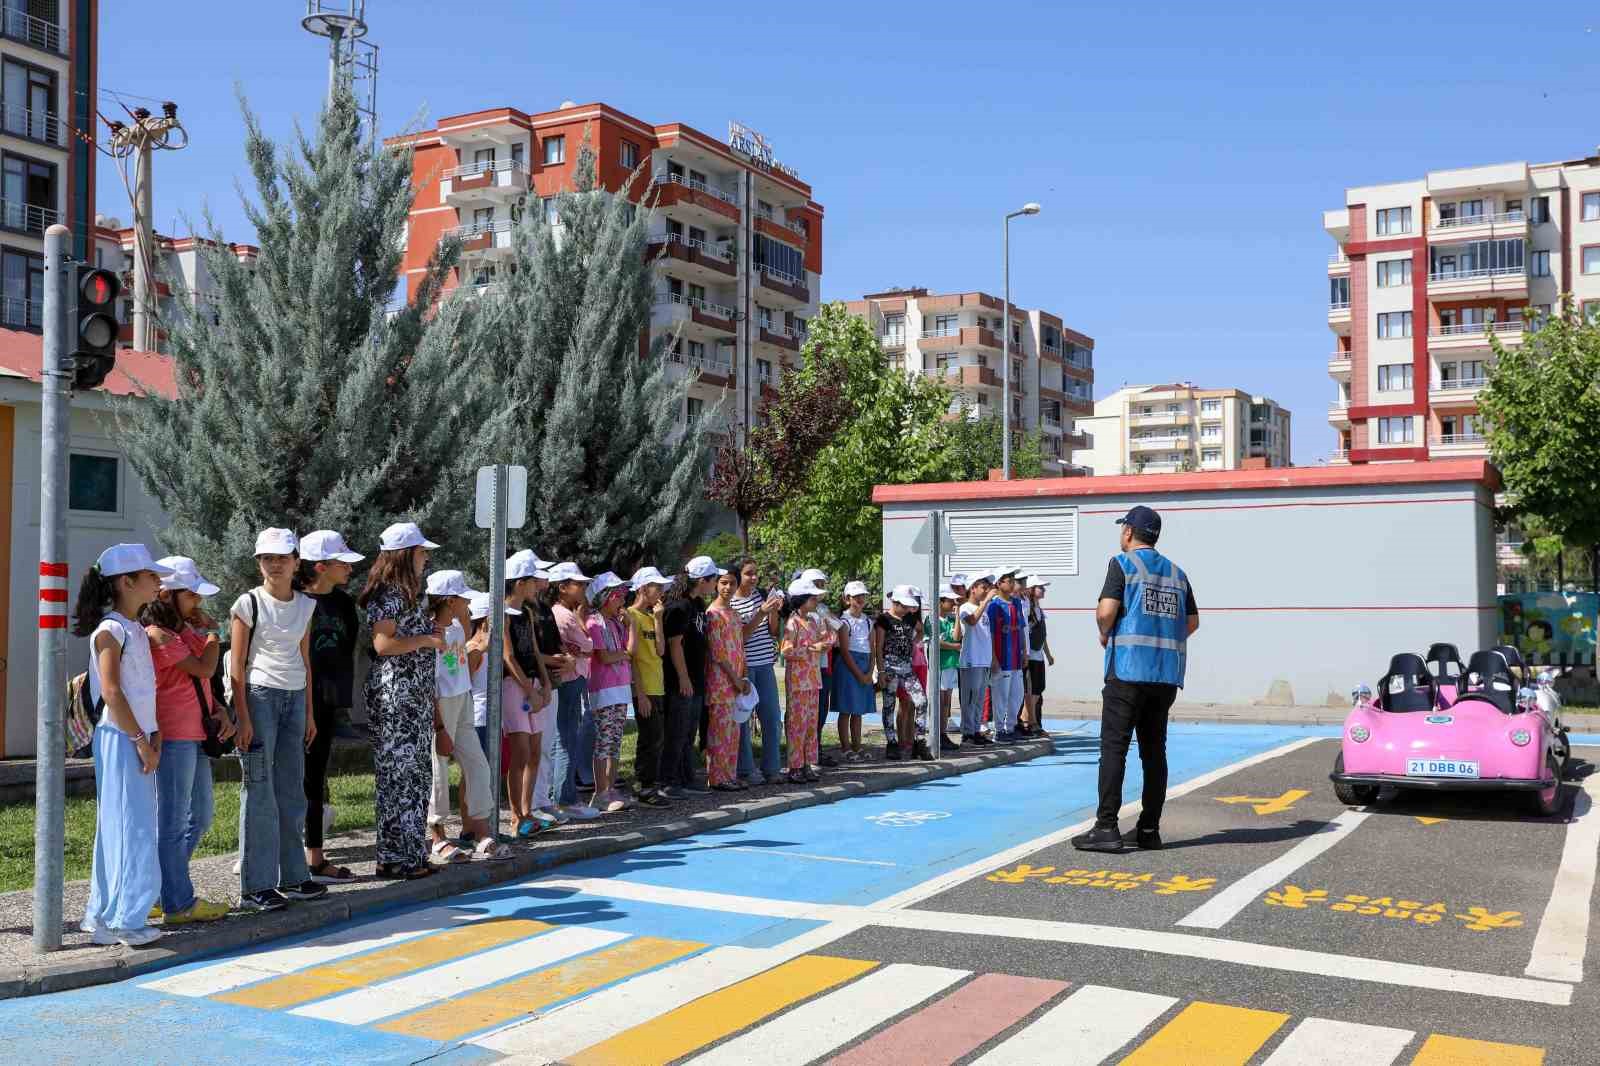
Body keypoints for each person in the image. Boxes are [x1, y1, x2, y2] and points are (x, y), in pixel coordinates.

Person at [1073, 505, 1199, 853]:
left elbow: (1106, 612)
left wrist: (1105, 632)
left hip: (1127, 671)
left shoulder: (1122, 564)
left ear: (1128, 532)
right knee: (1154, 752)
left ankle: (1106, 827)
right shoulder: (1177, 573)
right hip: (1165, 675)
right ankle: (1148, 829)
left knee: (1114, 748)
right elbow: (1191, 623)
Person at [75, 544, 172, 946]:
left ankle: (106, 915)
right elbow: (113, 692)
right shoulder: (111, 629)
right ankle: (123, 920)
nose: (158, 580)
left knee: (126, 824)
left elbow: (138, 690)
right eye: (150, 575)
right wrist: (140, 740)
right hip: (119, 736)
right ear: (125, 582)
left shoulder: (131, 627)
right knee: (129, 826)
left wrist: (154, 732)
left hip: (133, 735)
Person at [231, 528, 328, 910]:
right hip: (258, 697)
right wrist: (242, 717)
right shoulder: (248, 603)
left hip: (294, 698)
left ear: (295, 562)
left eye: (281, 557)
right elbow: (237, 665)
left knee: (292, 790)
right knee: (259, 789)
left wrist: (309, 712)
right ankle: (255, 884)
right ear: (259, 563)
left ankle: (294, 875)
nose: (274, 564)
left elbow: (306, 660)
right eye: (266, 558)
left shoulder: (306, 606)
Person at [140, 557, 232, 925]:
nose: (198, 603)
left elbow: (206, 682)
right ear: (167, 594)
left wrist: (221, 710)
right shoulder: (157, 635)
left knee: (201, 817)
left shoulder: (183, 632)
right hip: (175, 735)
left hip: (196, 734)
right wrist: (213, 635)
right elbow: (206, 667)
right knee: (173, 823)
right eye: (191, 595)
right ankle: (177, 902)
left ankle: (163, 889)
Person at [360, 522, 446, 880]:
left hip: (412, 697)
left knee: (410, 777)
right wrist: (426, 640)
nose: (426, 558)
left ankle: (402, 855)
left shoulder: (406, 595)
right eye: (422, 552)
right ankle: (402, 858)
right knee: (402, 777)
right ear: (406, 554)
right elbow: (383, 645)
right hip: (398, 697)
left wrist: (427, 634)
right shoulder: (390, 595)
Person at [425, 571, 509, 861]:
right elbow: (430, 684)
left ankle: (480, 832)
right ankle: (438, 836)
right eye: (463, 599)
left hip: (463, 701)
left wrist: (480, 650)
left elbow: (459, 668)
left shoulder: (459, 629)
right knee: (438, 770)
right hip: (441, 706)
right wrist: (439, 727)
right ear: (449, 601)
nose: (468, 606)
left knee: (479, 766)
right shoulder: (431, 633)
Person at [296, 530, 364, 884]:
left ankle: (315, 858)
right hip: (293, 699)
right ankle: (279, 853)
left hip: (326, 702)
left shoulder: (343, 603)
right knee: (289, 779)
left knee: (315, 778)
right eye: (343, 563)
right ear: (321, 567)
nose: (349, 569)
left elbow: (347, 646)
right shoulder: (293, 600)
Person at [503, 550, 554, 835]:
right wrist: (528, 690)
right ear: (521, 582)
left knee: (535, 750)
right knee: (520, 751)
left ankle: (527, 810)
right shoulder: (503, 612)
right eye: (533, 580)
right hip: (514, 687)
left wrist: (545, 684)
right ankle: (515, 816)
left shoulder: (527, 613)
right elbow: (508, 657)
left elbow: (534, 650)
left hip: (533, 683)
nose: (538, 585)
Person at [662, 557, 721, 795]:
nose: (716, 583)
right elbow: (674, 645)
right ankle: (669, 780)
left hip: (697, 679)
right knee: (676, 732)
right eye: (714, 579)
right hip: (680, 681)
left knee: (689, 733)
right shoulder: (679, 606)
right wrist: (683, 677)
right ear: (702, 580)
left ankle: (686, 777)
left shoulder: (697, 605)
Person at [548, 561, 600, 819]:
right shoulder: (565, 615)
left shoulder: (560, 612)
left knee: (563, 736)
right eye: (577, 584)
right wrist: (581, 622)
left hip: (572, 676)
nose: (582, 588)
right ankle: (565, 798)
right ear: (562, 587)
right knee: (566, 737)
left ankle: (558, 795)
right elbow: (588, 645)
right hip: (570, 679)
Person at [730, 559, 784, 785]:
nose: (754, 578)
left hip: (765, 665)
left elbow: (772, 631)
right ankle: (746, 769)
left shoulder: (760, 595)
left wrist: (773, 612)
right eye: (748, 574)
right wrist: (762, 613)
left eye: (756, 574)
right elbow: (740, 637)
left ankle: (772, 768)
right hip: (745, 666)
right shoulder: (731, 602)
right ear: (738, 576)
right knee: (742, 719)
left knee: (772, 717)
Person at [585, 572, 635, 812]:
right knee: (604, 740)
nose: (622, 600)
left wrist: (630, 626)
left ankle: (610, 787)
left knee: (614, 740)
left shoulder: (616, 623)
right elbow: (604, 656)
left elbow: (629, 650)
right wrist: (623, 654)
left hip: (620, 687)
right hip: (603, 689)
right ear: (605, 597)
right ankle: (600, 792)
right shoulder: (594, 622)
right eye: (618, 595)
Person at [626, 566, 673, 807]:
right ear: (644, 589)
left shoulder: (651, 616)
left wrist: (658, 620)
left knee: (657, 737)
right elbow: (631, 658)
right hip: (644, 687)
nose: (662, 591)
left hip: (658, 685)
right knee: (650, 737)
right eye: (658, 587)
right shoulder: (630, 615)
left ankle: (649, 784)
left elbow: (661, 650)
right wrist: (640, 693)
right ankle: (643, 786)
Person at [704, 569, 752, 791]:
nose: (727, 588)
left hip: (736, 680)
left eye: (732, 583)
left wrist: (743, 675)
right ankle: (717, 777)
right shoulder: (712, 613)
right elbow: (718, 653)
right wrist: (734, 678)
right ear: (716, 584)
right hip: (721, 681)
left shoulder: (733, 613)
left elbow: (739, 647)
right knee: (720, 731)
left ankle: (729, 775)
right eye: (723, 583)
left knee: (734, 731)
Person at [874, 587, 932, 761]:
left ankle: (919, 740)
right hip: (890, 667)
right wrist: (882, 671)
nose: (907, 609)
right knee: (889, 705)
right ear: (895, 602)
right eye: (904, 605)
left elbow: (921, 630)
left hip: (907, 668)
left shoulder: (910, 618)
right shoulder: (884, 620)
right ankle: (892, 742)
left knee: (921, 700)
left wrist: (913, 643)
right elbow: (879, 647)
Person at [781, 577, 829, 782]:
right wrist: (811, 648)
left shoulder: (812, 621)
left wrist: (826, 640)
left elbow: (824, 639)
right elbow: (786, 650)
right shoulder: (793, 622)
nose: (815, 601)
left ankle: (808, 763)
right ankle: (795, 766)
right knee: (797, 724)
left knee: (811, 723)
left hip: (813, 679)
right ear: (801, 599)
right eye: (812, 598)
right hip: (799, 681)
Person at [800, 568, 841, 767]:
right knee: (808, 712)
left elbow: (838, 628)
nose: (820, 589)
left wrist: (829, 623)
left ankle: (816, 749)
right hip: (807, 668)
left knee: (821, 710)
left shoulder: (823, 609)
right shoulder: (802, 611)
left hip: (824, 667)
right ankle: (805, 754)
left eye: (822, 584)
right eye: (816, 584)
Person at [986, 568, 1030, 742]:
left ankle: (1010, 728)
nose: (1012, 583)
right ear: (999, 583)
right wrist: (994, 658)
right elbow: (988, 634)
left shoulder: (1017, 603)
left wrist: (1024, 652)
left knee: (1017, 695)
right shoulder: (994, 605)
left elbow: (1021, 629)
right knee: (1000, 696)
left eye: (1013, 580)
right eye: (1008, 580)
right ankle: (998, 730)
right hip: (1001, 659)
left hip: (1016, 660)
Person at [833, 581, 874, 761]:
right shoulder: (843, 621)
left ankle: (857, 746)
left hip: (864, 664)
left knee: (858, 710)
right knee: (846, 709)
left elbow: (871, 648)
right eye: (856, 596)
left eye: (862, 596)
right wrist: (859, 674)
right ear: (847, 599)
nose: (860, 599)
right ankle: (846, 747)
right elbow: (844, 651)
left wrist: (870, 671)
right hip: (849, 666)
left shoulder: (868, 621)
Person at [957, 572, 997, 746]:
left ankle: (975, 730)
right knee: (970, 698)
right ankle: (967, 733)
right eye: (983, 587)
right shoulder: (965, 607)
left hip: (983, 660)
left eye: (988, 588)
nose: (986, 590)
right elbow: (971, 621)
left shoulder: (984, 610)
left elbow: (988, 635)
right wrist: (986, 601)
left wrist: (992, 658)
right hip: (970, 660)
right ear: (972, 589)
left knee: (979, 698)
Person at [1021, 575, 1055, 737]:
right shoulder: (1027, 608)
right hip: (1030, 654)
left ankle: (1032, 721)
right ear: (1032, 590)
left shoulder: (1038, 610)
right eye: (1040, 587)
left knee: (1038, 689)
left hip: (1038, 654)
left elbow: (1043, 635)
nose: (1044, 590)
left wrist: (1048, 655)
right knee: (1032, 690)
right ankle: (1029, 722)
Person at [932, 586, 963, 748]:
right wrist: (954, 647)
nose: (953, 603)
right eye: (949, 600)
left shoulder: (951, 619)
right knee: (940, 700)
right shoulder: (931, 619)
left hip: (951, 664)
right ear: (940, 602)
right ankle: (937, 733)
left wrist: (957, 615)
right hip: (940, 665)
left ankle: (943, 734)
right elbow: (936, 642)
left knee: (947, 701)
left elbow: (957, 637)